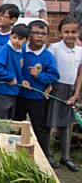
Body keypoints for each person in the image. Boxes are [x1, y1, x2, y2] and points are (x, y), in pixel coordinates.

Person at [15, 20, 59, 166]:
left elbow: (54, 76)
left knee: (40, 127)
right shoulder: (21, 50)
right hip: (20, 96)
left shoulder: (47, 56)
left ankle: (45, 155)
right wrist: (21, 80)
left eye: (43, 34)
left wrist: (39, 76)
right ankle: (15, 151)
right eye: (36, 33)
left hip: (37, 98)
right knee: (17, 124)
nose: (40, 36)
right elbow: (15, 68)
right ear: (29, 35)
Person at [46, 17, 81, 172]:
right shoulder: (54, 48)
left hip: (69, 90)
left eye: (73, 32)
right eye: (66, 32)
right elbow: (48, 69)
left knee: (66, 124)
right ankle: (48, 153)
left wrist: (76, 94)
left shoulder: (80, 51)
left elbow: (79, 75)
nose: (70, 35)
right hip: (55, 88)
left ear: (78, 32)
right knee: (50, 121)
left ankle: (65, 157)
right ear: (60, 33)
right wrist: (49, 86)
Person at [0, 24, 29, 119]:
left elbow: (17, 71)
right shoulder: (6, 49)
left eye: (20, 39)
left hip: (13, 92)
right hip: (2, 92)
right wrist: (10, 77)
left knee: (8, 122)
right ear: (10, 36)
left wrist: (22, 80)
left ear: (26, 40)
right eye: (14, 37)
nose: (16, 41)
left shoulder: (21, 51)